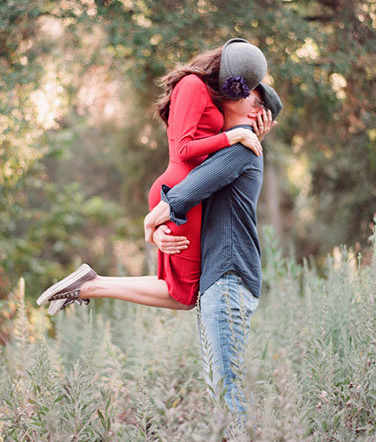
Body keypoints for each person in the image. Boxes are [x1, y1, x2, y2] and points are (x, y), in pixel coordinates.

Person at [36, 39, 269, 315]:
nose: (239, 95)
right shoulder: (192, 85)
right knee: (183, 294)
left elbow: (216, 161)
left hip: (188, 190)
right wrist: (232, 137)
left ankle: (90, 284)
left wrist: (242, 136)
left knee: (179, 290)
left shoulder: (207, 93)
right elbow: (183, 150)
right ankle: (90, 285)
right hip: (181, 188)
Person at [144, 82, 283, 415]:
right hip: (220, 280)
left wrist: (150, 224)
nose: (237, 90)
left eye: (248, 92)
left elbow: (187, 192)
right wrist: (160, 234)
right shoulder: (231, 149)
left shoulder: (241, 151)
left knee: (227, 390)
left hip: (229, 278)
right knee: (220, 390)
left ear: (256, 111)